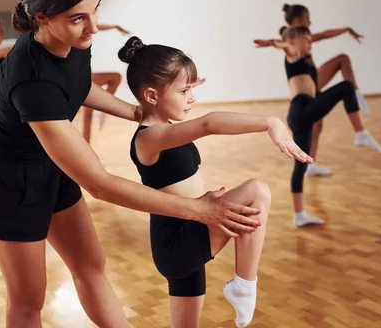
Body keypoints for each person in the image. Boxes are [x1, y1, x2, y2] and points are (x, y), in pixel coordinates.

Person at [0, 0, 261, 328]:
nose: (93, 27)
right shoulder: (32, 80)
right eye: (78, 18)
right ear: (41, 17)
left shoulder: (73, 40)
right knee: (29, 299)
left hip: (49, 165)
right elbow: (100, 184)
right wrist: (200, 210)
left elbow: (75, 86)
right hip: (10, 183)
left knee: (91, 266)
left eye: (95, 10)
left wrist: (134, 111)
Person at [120, 36, 312, 327]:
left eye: (192, 89)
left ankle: (242, 286)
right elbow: (210, 124)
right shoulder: (149, 138)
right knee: (256, 192)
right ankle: (244, 285)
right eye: (184, 91)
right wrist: (270, 122)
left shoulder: (167, 129)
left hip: (192, 227)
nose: (192, 98)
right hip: (176, 242)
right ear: (151, 96)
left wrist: (184, 84)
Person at [254, 26, 381, 227]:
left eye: (309, 40)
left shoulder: (304, 57)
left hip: (301, 114)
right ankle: (360, 133)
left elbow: (321, 35)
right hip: (302, 109)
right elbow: (286, 46)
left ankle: (299, 216)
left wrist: (345, 30)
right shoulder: (293, 54)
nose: (309, 43)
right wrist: (272, 42)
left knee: (300, 166)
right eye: (306, 40)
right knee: (347, 87)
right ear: (294, 41)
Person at [281, 3, 371, 176]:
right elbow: (321, 35)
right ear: (298, 20)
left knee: (317, 123)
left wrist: (345, 30)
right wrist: (345, 30)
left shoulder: (300, 36)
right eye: (307, 18)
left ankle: (309, 163)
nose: (310, 22)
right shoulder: (292, 38)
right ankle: (355, 95)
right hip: (308, 85)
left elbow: (322, 35)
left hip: (312, 81)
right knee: (342, 59)